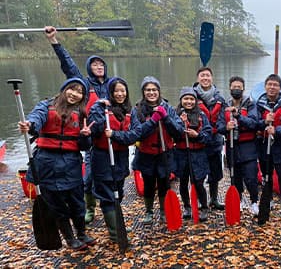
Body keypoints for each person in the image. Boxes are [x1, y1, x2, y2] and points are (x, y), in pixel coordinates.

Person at [18, 78, 96, 250]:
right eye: (72, 89)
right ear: (64, 89)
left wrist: (85, 135)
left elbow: (85, 146)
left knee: (77, 202)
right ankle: (70, 238)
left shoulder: (82, 114)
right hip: (47, 162)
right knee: (58, 204)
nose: (74, 94)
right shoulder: (46, 106)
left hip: (71, 162)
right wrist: (30, 125)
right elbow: (35, 119)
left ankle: (82, 233)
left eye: (79, 92)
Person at [45, 26, 112, 224]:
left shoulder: (112, 86)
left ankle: (109, 206)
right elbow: (68, 66)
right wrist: (54, 41)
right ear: (90, 67)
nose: (99, 67)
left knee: (111, 176)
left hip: (109, 135)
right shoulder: (83, 83)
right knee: (89, 177)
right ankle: (90, 209)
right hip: (89, 136)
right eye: (95, 64)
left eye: (101, 65)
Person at [88, 77, 146, 240]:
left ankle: (115, 224)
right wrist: (99, 109)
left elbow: (135, 134)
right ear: (110, 93)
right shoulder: (100, 108)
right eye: (116, 91)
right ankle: (116, 234)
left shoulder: (130, 111)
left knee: (118, 193)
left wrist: (114, 134)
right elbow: (95, 129)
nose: (120, 94)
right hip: (103, 157)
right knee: (107, 194)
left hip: (120, 157)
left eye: (123, 90)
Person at [131, 76, 184, 224]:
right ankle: (148, 212)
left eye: (154, 90)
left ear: (159, 91)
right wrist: (153, 120)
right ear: (143, 92)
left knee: (164, 183)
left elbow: (178, 131)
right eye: (148, 90)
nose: (151, 93)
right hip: (146, 154)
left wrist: (165, 117)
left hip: (164, 153)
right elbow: (137, 133)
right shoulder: (137, 110)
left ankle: (163, 211)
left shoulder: (167, 108)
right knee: (148, 184)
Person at [217, 76, 259, 216]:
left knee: (251, 177)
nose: (236, 89)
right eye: (234, 87)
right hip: (232, 146)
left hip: (248, 146)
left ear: (243, 88)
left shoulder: (250, 104)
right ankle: (238, 200)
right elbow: (219, 126)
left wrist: (239, 116)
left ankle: (254, 202)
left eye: (239, 87)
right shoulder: (225, 105)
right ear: (230, 88)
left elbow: (254, 123)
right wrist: (226, 127)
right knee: (235, 176)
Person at [256, 74, 281, 222]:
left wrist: (276, 130)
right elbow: (254, 122)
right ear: (265, 86)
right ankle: (268, 199)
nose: (272, 87)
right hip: (264, 145)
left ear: (280, 87)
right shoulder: (259, 104)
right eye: (269, 84)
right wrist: (264, 122)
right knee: (266, 175)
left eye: (275, 85)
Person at [175, 87, 212, 221]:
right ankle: (187, 206)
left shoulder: (201, 115)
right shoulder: (175, 114)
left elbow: (208, 135)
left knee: (198, 182)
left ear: (195, 101)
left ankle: (204, 207)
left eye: (191, 99)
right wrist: (180, 127)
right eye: (186, 99)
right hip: (181, 153)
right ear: (181, 100)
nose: (189, 101)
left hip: (198, 154)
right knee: (183, 183)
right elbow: (171, 132)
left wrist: (197, 135)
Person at [192, 67, 225, 210]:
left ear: (212, 78)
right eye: (202, 76)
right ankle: (201, 200)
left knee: (215, 173)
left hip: (215, 141)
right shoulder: (191, 96)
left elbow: (224, 116)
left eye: (208, 76)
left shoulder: (219, 98)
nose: (205, 78)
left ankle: (214, 199)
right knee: (198, 174)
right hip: (198, 142)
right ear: (198, 78)